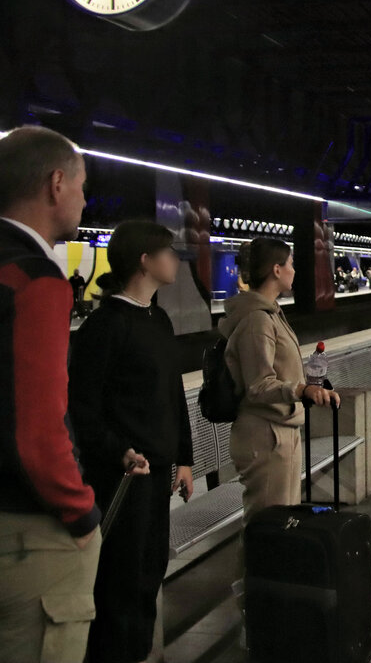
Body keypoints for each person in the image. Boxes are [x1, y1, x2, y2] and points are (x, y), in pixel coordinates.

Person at [68, 220, 193, 663]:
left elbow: (173, 394)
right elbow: (83, 408)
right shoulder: (105, 326)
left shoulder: (158, 319)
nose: (175, 260)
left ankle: (138, 654)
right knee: (119, 578)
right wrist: (117, 449)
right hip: (121, 477)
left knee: (149, 571)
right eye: (168, 252)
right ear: (145, 260)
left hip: (156, 475)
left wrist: (184, 458)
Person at [0, 126, 102, 663]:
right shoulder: (35, 279)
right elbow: (39, 429)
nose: (84, 200)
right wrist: (80, 513)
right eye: (82, 187)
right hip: (28, 533)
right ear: (56, 184)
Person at [218, 238, 339, 521]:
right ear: (276, 269)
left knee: (281, 525)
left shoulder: (271, 314)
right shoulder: (257, 320)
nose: (294, 271)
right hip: (266, 436)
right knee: (268, 527)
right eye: (290, 264)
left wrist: (307, 382)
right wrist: (301, 389)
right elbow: (259, 385)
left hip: (279, 429)